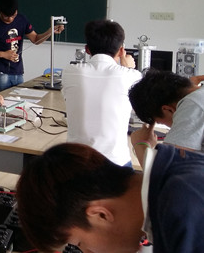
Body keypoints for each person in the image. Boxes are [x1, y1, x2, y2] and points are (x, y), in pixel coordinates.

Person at [15, 142, 204, 253]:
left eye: (79, 244)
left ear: (101, 215)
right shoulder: (171, 181)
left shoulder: (185, 210)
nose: (87, 252)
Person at [62, 19, 141, 166]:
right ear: (121, 51)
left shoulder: (70, 72)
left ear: (87, 49)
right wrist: (129, 68)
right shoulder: (131, 76)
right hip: (116, 164)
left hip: (75, 164)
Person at [0, 0, 64, 92]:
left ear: (16, 11)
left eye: (13, 15)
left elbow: (36, 39)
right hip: (1, 74)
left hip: (18, 73)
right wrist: (3, 54)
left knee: (19, 101)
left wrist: (50, 31)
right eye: (6, 17)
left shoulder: (22, 20)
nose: (10, 19)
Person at [128, 70, 204, 163]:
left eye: (159, 122)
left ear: (168, 110)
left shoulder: (192, 104)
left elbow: (171, 168)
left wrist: (140, 144)